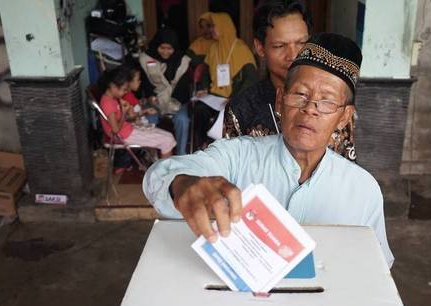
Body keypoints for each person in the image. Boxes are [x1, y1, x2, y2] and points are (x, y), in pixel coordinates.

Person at [143, 33, 393, 268]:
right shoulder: (238, 157)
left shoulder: (363, 191)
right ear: (280, 100)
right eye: (300, 94)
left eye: (326, 101)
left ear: (344, 117)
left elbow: (375, 268)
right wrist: (182, 183)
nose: (310, 109)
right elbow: (158, 177)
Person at [223, 0, 357, 161]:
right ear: (260, 48)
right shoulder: (241, 108)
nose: (293, 55)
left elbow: (346, 167)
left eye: (302, 43)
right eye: (280, 46)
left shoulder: (335, 106)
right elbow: (232, 169)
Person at [172, 12, 258, 151]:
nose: (211, 30)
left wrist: (233, 98)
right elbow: (205, 71)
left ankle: (215, 147)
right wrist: (204, 87)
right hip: (215, 96)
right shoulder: (213, 48)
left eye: (214, 26)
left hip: (233, 97)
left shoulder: (241, 49)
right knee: (199, 110)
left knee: (226, 114)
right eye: (210, 26)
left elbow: (251, 80)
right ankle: (202, 144)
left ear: (224, 27)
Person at [99, 66, 176, 160]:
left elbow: (121, 120)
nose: (125, 93)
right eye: (124, 90)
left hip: (127, 130)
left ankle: (160, 167)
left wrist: (127, 113)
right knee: (167, 140)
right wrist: (124, 113)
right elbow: (115, 130)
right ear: (113, 86)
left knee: (168, 136)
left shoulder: (112, 99)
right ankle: (164, 172)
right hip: (124, 135)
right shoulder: (108, 103)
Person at [139, 28, 191, 154]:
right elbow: (144, 83)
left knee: (183, 119)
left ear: (175, 48)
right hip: (154, 101)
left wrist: (169, 99)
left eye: (170, 48)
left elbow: (183, 89)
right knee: (150, 119)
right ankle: (152, 156)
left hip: (176, 101)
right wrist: (151, 96)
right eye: (162, 47)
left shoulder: (182, 62)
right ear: (156, 45)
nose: (166, 52)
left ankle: (181, 154)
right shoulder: (146, 59)